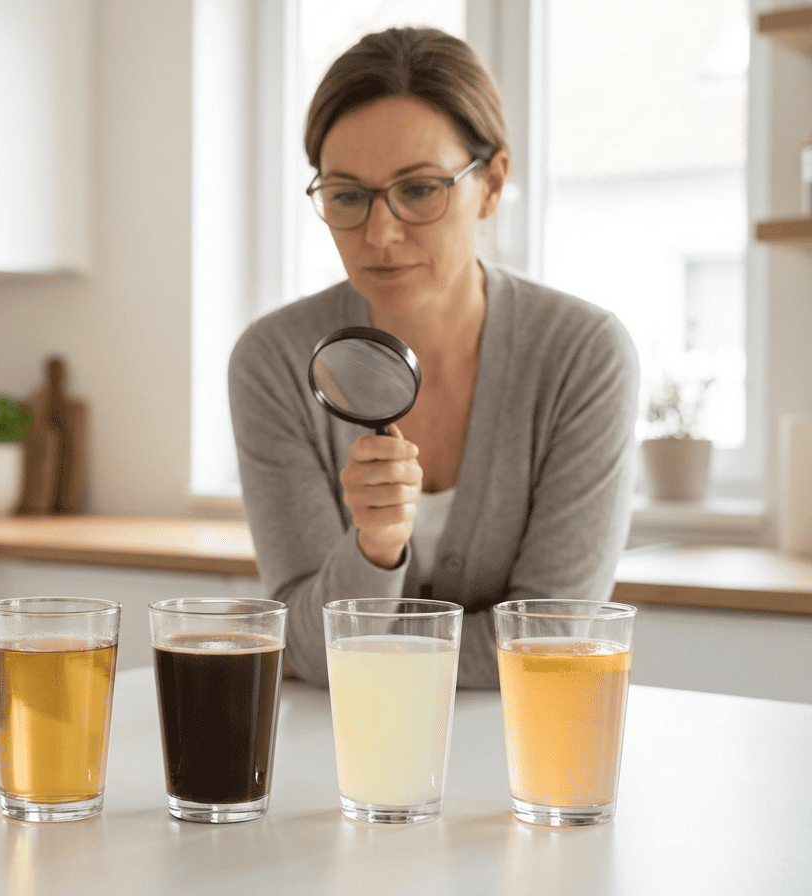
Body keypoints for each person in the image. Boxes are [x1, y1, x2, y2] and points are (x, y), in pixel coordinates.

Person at [228, 26, 638, 689]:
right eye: (347, 196)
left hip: (521, 759)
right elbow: (304, 648)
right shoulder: (273, 360)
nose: (380, 233)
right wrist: (375, 547)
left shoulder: (583, 354)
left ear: (493, 183)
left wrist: (366, 649)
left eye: (419, 189)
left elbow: (556, 637)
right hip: (340, 757)